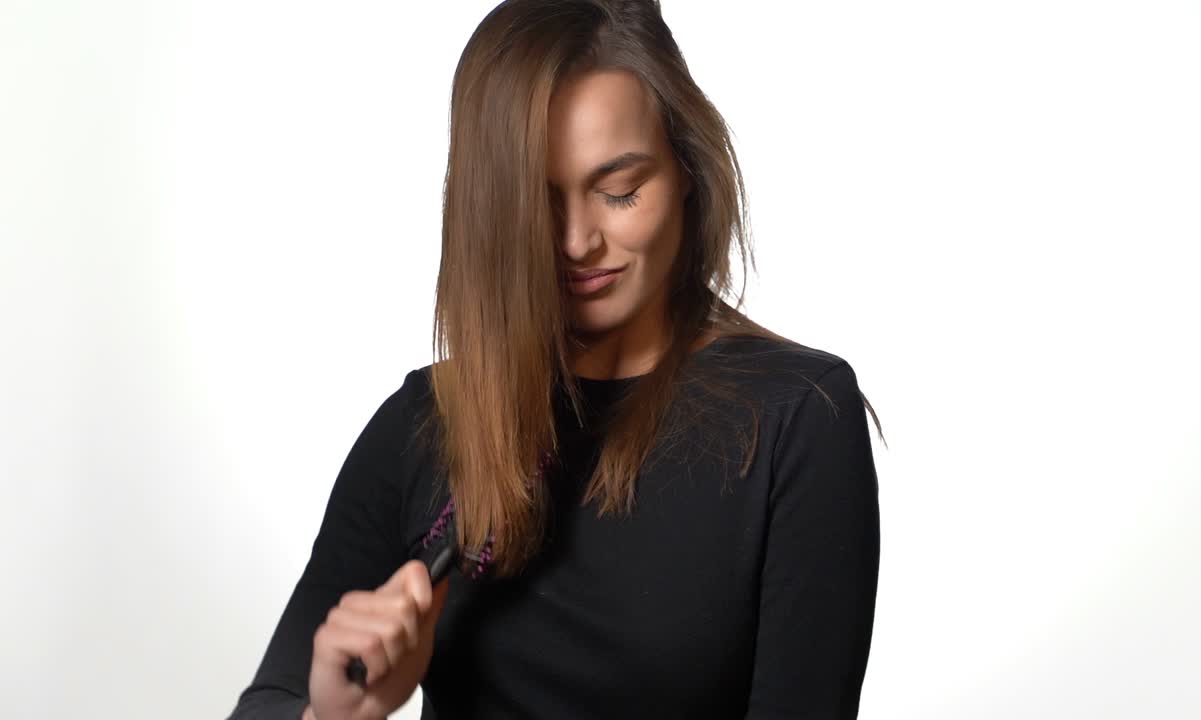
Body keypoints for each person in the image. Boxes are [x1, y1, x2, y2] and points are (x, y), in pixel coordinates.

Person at [227, 1, 883, 718]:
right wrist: (332, 715)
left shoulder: (795, 419)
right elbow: (274, 698)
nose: (576, 242)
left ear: (687, 169)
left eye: (620, 190)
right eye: (536, 203)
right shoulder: (425, 425)